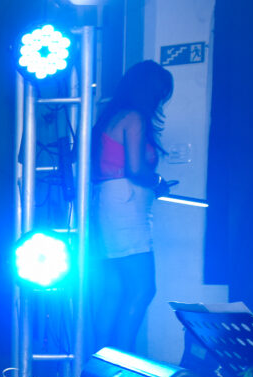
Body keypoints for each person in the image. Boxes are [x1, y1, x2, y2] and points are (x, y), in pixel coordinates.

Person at [91, 60, 174, 352]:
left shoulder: (112, 116)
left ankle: (101, 364)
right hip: (125, 204)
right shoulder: (135, 118)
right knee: (142, 288)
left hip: (111, 202)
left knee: (114, 290)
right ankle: (123, 363)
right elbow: (136, 169)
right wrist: (158, 181)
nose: (159, 101)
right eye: (159, 94)